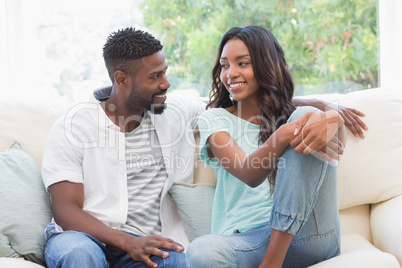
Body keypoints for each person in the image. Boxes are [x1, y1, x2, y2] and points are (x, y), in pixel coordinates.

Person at [41, 26, 365, 268]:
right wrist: (130, 243)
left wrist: (326, 109)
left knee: (189, 261)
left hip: (154, 247)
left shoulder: (173, 111)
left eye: (165, 72)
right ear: (122, 80)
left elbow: (250, 99)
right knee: (79, 254)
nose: (166, 83)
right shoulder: (74, 127)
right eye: (156, 77)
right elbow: (67, 210)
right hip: (86, 239)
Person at [186, 25, 350, 268]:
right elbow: (248, 172)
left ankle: (272, 262)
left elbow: (335, 148)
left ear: (266, 65)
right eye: (224, 65)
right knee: (200, 251)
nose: (230, 73)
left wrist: (334, 116)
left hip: (311, 234)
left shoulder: (294, 114)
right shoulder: (215, 119)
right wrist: (284, 134)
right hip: (249, 242)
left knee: (307, 116)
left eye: (242, 63)